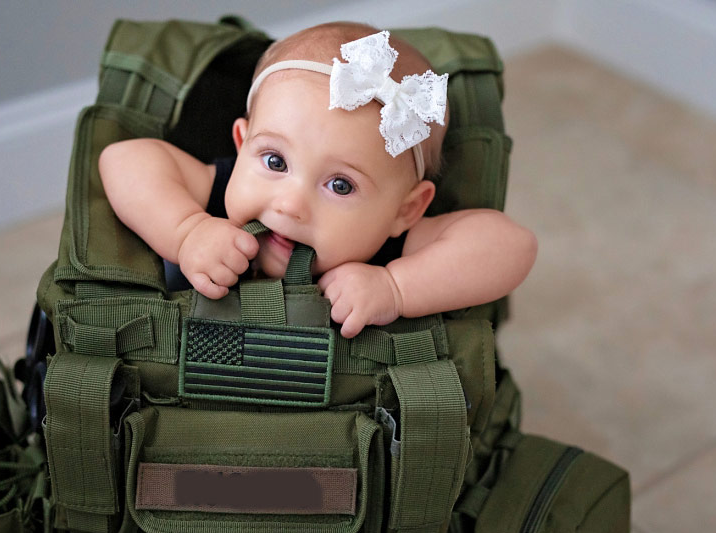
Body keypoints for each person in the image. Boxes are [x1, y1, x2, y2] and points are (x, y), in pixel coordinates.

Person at [99, 22, 537, 338]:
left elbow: (511, 246)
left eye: (340, 185)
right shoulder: (220, 193)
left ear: (405, 209)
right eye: (274, 160)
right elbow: (125, 158)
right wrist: (186, 231)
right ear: (242, 141)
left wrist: (395, 288)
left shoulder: (387, 248)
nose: (290, 204)